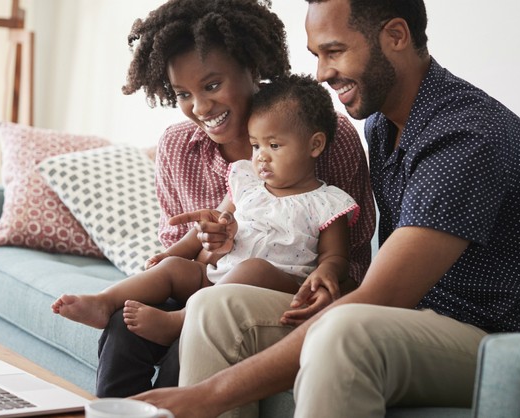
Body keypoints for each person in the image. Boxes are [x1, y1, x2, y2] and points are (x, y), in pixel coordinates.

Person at [130, 0, 520, 417]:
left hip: (509, 343)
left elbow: (380, 298)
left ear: (395, 36)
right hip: (419, 320)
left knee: (343, 333)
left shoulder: (465, 137)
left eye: (334, 51)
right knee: (217, 307)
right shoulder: (384, 127)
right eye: (316, 55)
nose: (321, 74)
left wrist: (208, 395)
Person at [94, 0, 377, 398]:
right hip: (202, 283)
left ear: (252, 67)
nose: (200, 107)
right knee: (122, 327)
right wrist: (211, 248)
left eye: (212, 85)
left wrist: (322, 279)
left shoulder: (328, 136)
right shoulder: (177, 147)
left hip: (273, 293)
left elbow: (354, 265)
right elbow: (181, 261)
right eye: (183, 94)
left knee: (192, 344)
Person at [52, 73, 360, 349]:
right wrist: (173, 253)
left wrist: (326, 272)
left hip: (274, 286)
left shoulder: (327, 202)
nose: (261, 158)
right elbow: (211, 224)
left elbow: (335, 257)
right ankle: (104, 301)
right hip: (217, 276)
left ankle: (180, 321)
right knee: (173, 268)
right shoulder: (246, 183)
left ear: (315, 145)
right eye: (255, 146)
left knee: (254, 268)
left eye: (274, 146)